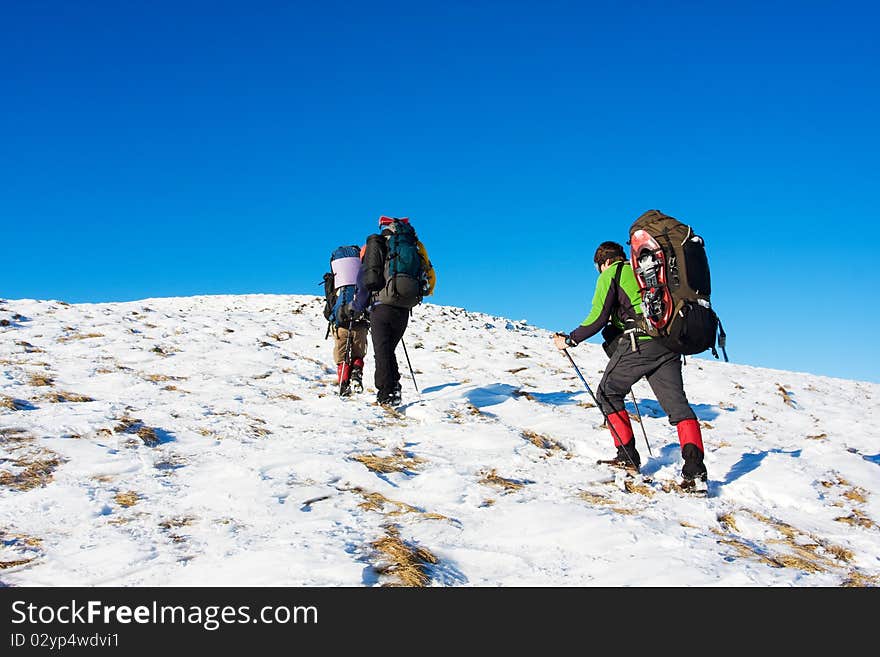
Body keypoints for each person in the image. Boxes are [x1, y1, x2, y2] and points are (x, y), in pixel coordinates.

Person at [552, 240, 708, 489]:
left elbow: (597, 317)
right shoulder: (644, 273)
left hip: (640, 343)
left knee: (607, 393)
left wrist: (570, 340)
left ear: (602, 262)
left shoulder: (611, 273)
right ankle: (695, 473)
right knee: (679, 409)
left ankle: (626, 457)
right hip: (669, 343)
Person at [352, 216, 435, 407]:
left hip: (381, 307)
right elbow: (429, 275)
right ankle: (394, 386)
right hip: (405, 307)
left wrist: (358, 306)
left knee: (382, 352)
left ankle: (386, 394)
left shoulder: (377, 245)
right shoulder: (413, 246)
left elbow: (363, 281)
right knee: (388, 349)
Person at [324, 244, 370, 396]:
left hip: (340, 320)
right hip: (360, 320)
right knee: (358, 354)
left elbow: (330, 300)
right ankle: (357, 373)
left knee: (341, 355)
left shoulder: (337, 278)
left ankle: (344, 384)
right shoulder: (364, 271)